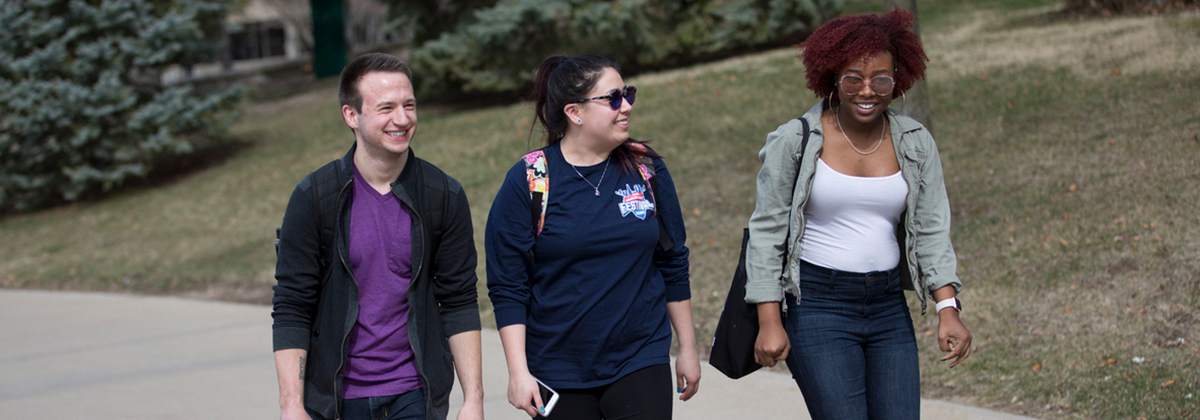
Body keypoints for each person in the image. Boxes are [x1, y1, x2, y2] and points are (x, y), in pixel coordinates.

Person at [745, 8, 973, 420]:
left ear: (897, 79)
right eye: (853, 78)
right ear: (832, 77)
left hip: (887, 305)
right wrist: (769, 319)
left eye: (880, 79)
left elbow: (932, 229)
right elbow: (767, 231)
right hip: (817, 306)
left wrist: (947, 310)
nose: (866, 90)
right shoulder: (795, 140)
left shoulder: (916, 143)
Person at [485, 54, 700, 420]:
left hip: (639, 357)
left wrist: (688, 348)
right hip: (558, 368)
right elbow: (508, 285)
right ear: (575, 112)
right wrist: (518, 372)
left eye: (627, 93)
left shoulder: (645, 168)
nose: (627, 106)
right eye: (613, 98)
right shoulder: (531, 179)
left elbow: (672, 260)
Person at [272, 53, 484, 420]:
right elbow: (293, 305)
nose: (402, 119)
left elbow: (459, 300)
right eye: (386, 107)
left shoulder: (443, 195)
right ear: (351, 116)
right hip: (337, 399)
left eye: (409, 105)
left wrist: (473, 400)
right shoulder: (315, 198)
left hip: (415, 394)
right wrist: (291, 405)